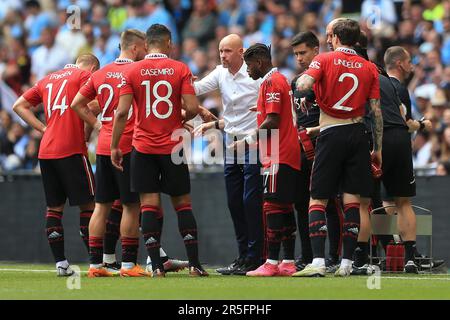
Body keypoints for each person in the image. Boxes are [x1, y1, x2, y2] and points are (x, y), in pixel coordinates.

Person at [111, 24, 208, 277]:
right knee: (183, 205)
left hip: (142, 147)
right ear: (168, 43)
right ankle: (195, 265)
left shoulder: (132, 70)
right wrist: (179, 115)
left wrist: (114, 146)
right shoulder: (180, 69)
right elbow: (193, 108)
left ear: (146, 45)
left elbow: (121, 112)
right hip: (172, 146)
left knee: (149, 205)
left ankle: (156, 267)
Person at [293, 19, 382, 277]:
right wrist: (377, 148)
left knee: (318, 198)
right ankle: (346, 263)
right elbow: (375, 112)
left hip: (330, 131)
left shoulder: (324, 60)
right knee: (353, 201)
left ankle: (319, 261)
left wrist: (311, 85)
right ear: (355, 39)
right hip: (358, 133)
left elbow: (303, 85)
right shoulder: (369, 67)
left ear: (336, 38)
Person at [12, 54, 100, 276]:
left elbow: (19, 105)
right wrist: (97, 127)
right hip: (71, 149)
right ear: (92, 67)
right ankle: (95, 263)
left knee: (54, 209)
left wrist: (43, 129)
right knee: (89, 206)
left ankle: (61, 264)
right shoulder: (83, 76)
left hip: (47, 151)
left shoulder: (48, 79)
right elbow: (92, 105)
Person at [192, 34, 264, 275]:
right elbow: (197, 88)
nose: (222, 55)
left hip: (254, 143)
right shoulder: (220, 73)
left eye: (227, 51)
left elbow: (269, 111)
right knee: (234, 202)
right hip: (231, 143)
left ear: (241, 52)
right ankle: (243, 256)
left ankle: (256, 256)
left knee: (250, 201)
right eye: (220, 50)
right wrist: (178, 79)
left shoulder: (256, 75)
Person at [234, 43, 300, 277]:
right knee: (284, 207)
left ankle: (271, 262)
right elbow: (275, 113)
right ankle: (288, 262)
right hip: (289, 153)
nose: (248, 71)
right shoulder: (280, 80)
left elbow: (272, 120)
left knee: (271, 206)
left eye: (249, 66)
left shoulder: (272, 81)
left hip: (277, 153)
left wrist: (247, 140)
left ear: (259, 62)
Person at [290, 31, 343, 273]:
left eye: (303, 53)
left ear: (315, 50)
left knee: (330, 203)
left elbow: (337, 115)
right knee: (302, 203)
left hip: (326, 144)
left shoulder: (327, 79)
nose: (299, 58)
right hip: (302, 148)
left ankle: (333, 256)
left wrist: (316, 131)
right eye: (295, 54)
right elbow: (295, 117)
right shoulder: (296, 83)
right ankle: (309, 256)